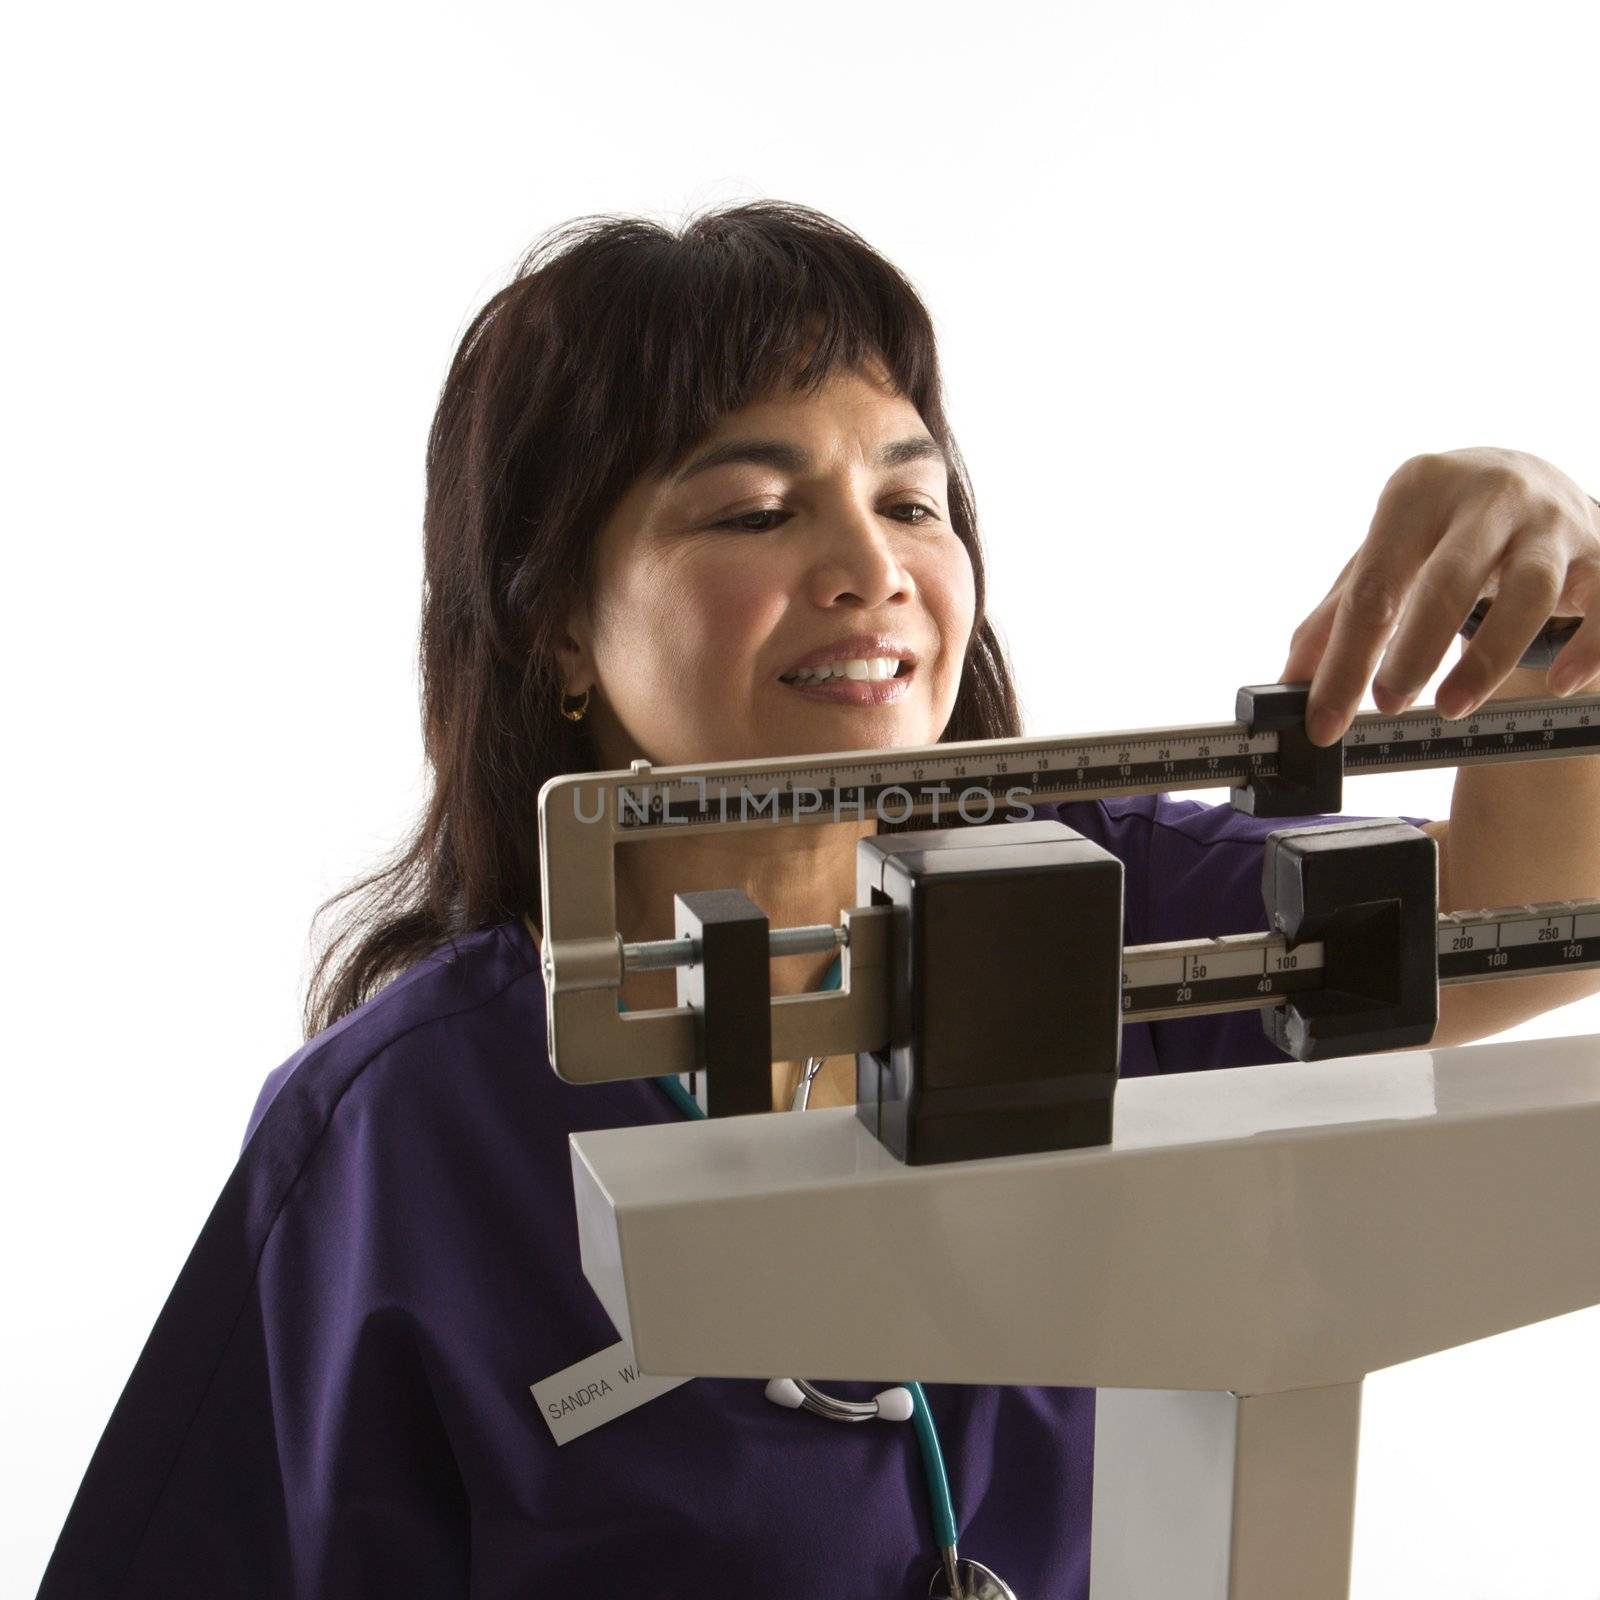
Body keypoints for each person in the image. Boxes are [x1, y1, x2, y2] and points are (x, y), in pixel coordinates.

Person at [35, 201, 1600, 1599]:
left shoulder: (1111, 911)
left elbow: (1513, 924)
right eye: (755, 511)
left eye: (912, 502)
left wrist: (1565, 589)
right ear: (553, 628)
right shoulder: (401, 1131)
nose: (870, 567)